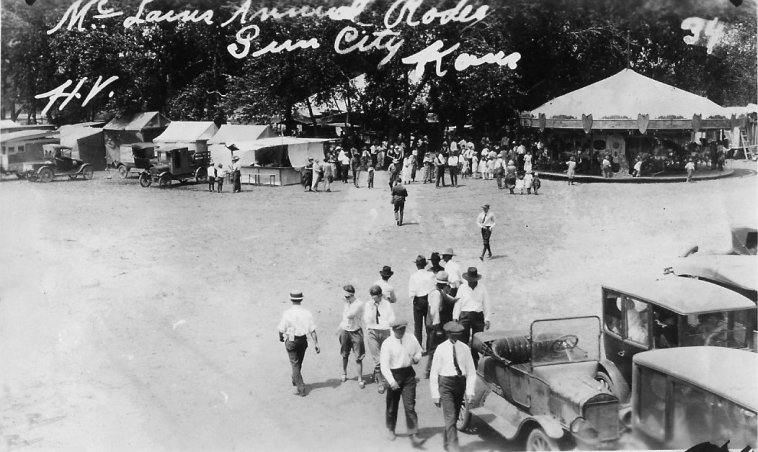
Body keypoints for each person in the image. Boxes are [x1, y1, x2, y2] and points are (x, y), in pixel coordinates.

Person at [429, 321, 477, 452]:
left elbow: (471, 372)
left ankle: (447, 442)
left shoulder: (465, 349)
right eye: (453, 335)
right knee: (450, 417)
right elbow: (434, 373)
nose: (456, 337)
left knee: (454, 417)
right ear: (448, 334)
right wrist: (435, 395)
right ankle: (454, 448)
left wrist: (470, 392)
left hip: (460, 384)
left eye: (458, 334)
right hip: (446, 385)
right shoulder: (440, 349)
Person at [380, 320, 423, 445]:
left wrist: (417, 358)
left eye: (403, 329)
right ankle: (391, 429)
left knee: (410, 406)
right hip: (393, 375)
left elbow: (419, 351)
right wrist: (392, 381)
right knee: (392, 407)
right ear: (393, 330)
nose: (402, 332)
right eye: (399, 330)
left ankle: (413, 432)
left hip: (408, 375)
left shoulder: (411, 338)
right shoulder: (387, 343)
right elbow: (384, 366)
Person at [277, 291, 320, 397]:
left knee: (295, 364)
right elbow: (313, 330)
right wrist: (316, 344)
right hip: (303, 340)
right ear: (301, 299)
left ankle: (301, 388)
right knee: (298, 362)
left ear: (291, 300)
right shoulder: (307, 313)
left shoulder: (287, 313)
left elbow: (281, 329)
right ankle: (295, 378)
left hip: (291, 339)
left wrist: (281, 337)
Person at [453, 267, 492, 366]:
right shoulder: (462, 288)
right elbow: (457, 303)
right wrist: (455, 317)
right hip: (465, 315)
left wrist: (487, 319)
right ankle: (463, 362)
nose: (471, 283)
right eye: (470, 281)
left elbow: (486, 303)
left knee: (477, 341)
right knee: (463, 340)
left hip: (478, 316)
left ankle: (474, 363)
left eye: (473, 281)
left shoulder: (482, 288)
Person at [425, 272, 459, 378]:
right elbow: (435, 311)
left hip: (433, 324)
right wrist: (438, 328)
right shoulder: (436, 294)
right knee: (434, 348)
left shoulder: (437, 291)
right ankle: (429, 370)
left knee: (436, 347)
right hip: (435, 325)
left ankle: (432, 369)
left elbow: (448, 298)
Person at [364, 285, 395, 393]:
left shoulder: (386, 304)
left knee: (385, 357)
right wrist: (373, 308)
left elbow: (392, 318)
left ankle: (384, 377)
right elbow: (367, 319)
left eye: (375, 297)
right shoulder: (368, 304)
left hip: (385, 331)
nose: (373, 299)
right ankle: (381, 382)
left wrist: (390, 330)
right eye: (372, 297)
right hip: (373, 331)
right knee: (377, 359)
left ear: (381, 295)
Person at [339, 284, 366, 388]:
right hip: (345, 330)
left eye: (347, 296)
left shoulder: (358, 304)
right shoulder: (347, 302)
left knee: (358, 356)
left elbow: (350, 316)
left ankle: (360, 378)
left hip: (356, 331)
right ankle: (344, 373)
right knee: (344, 354)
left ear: (351, 295)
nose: (345, 298)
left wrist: (347, 303)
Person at [409, 255, 435, 353]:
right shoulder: (431, 275)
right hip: (428, 300)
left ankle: (418, 348)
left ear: (417, 265)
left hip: (418, 301)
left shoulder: (413, 276)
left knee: (418, 326)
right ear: (425, 265)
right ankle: (429, 347)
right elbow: (433, 289)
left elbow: (411, 293)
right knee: (429, 325)